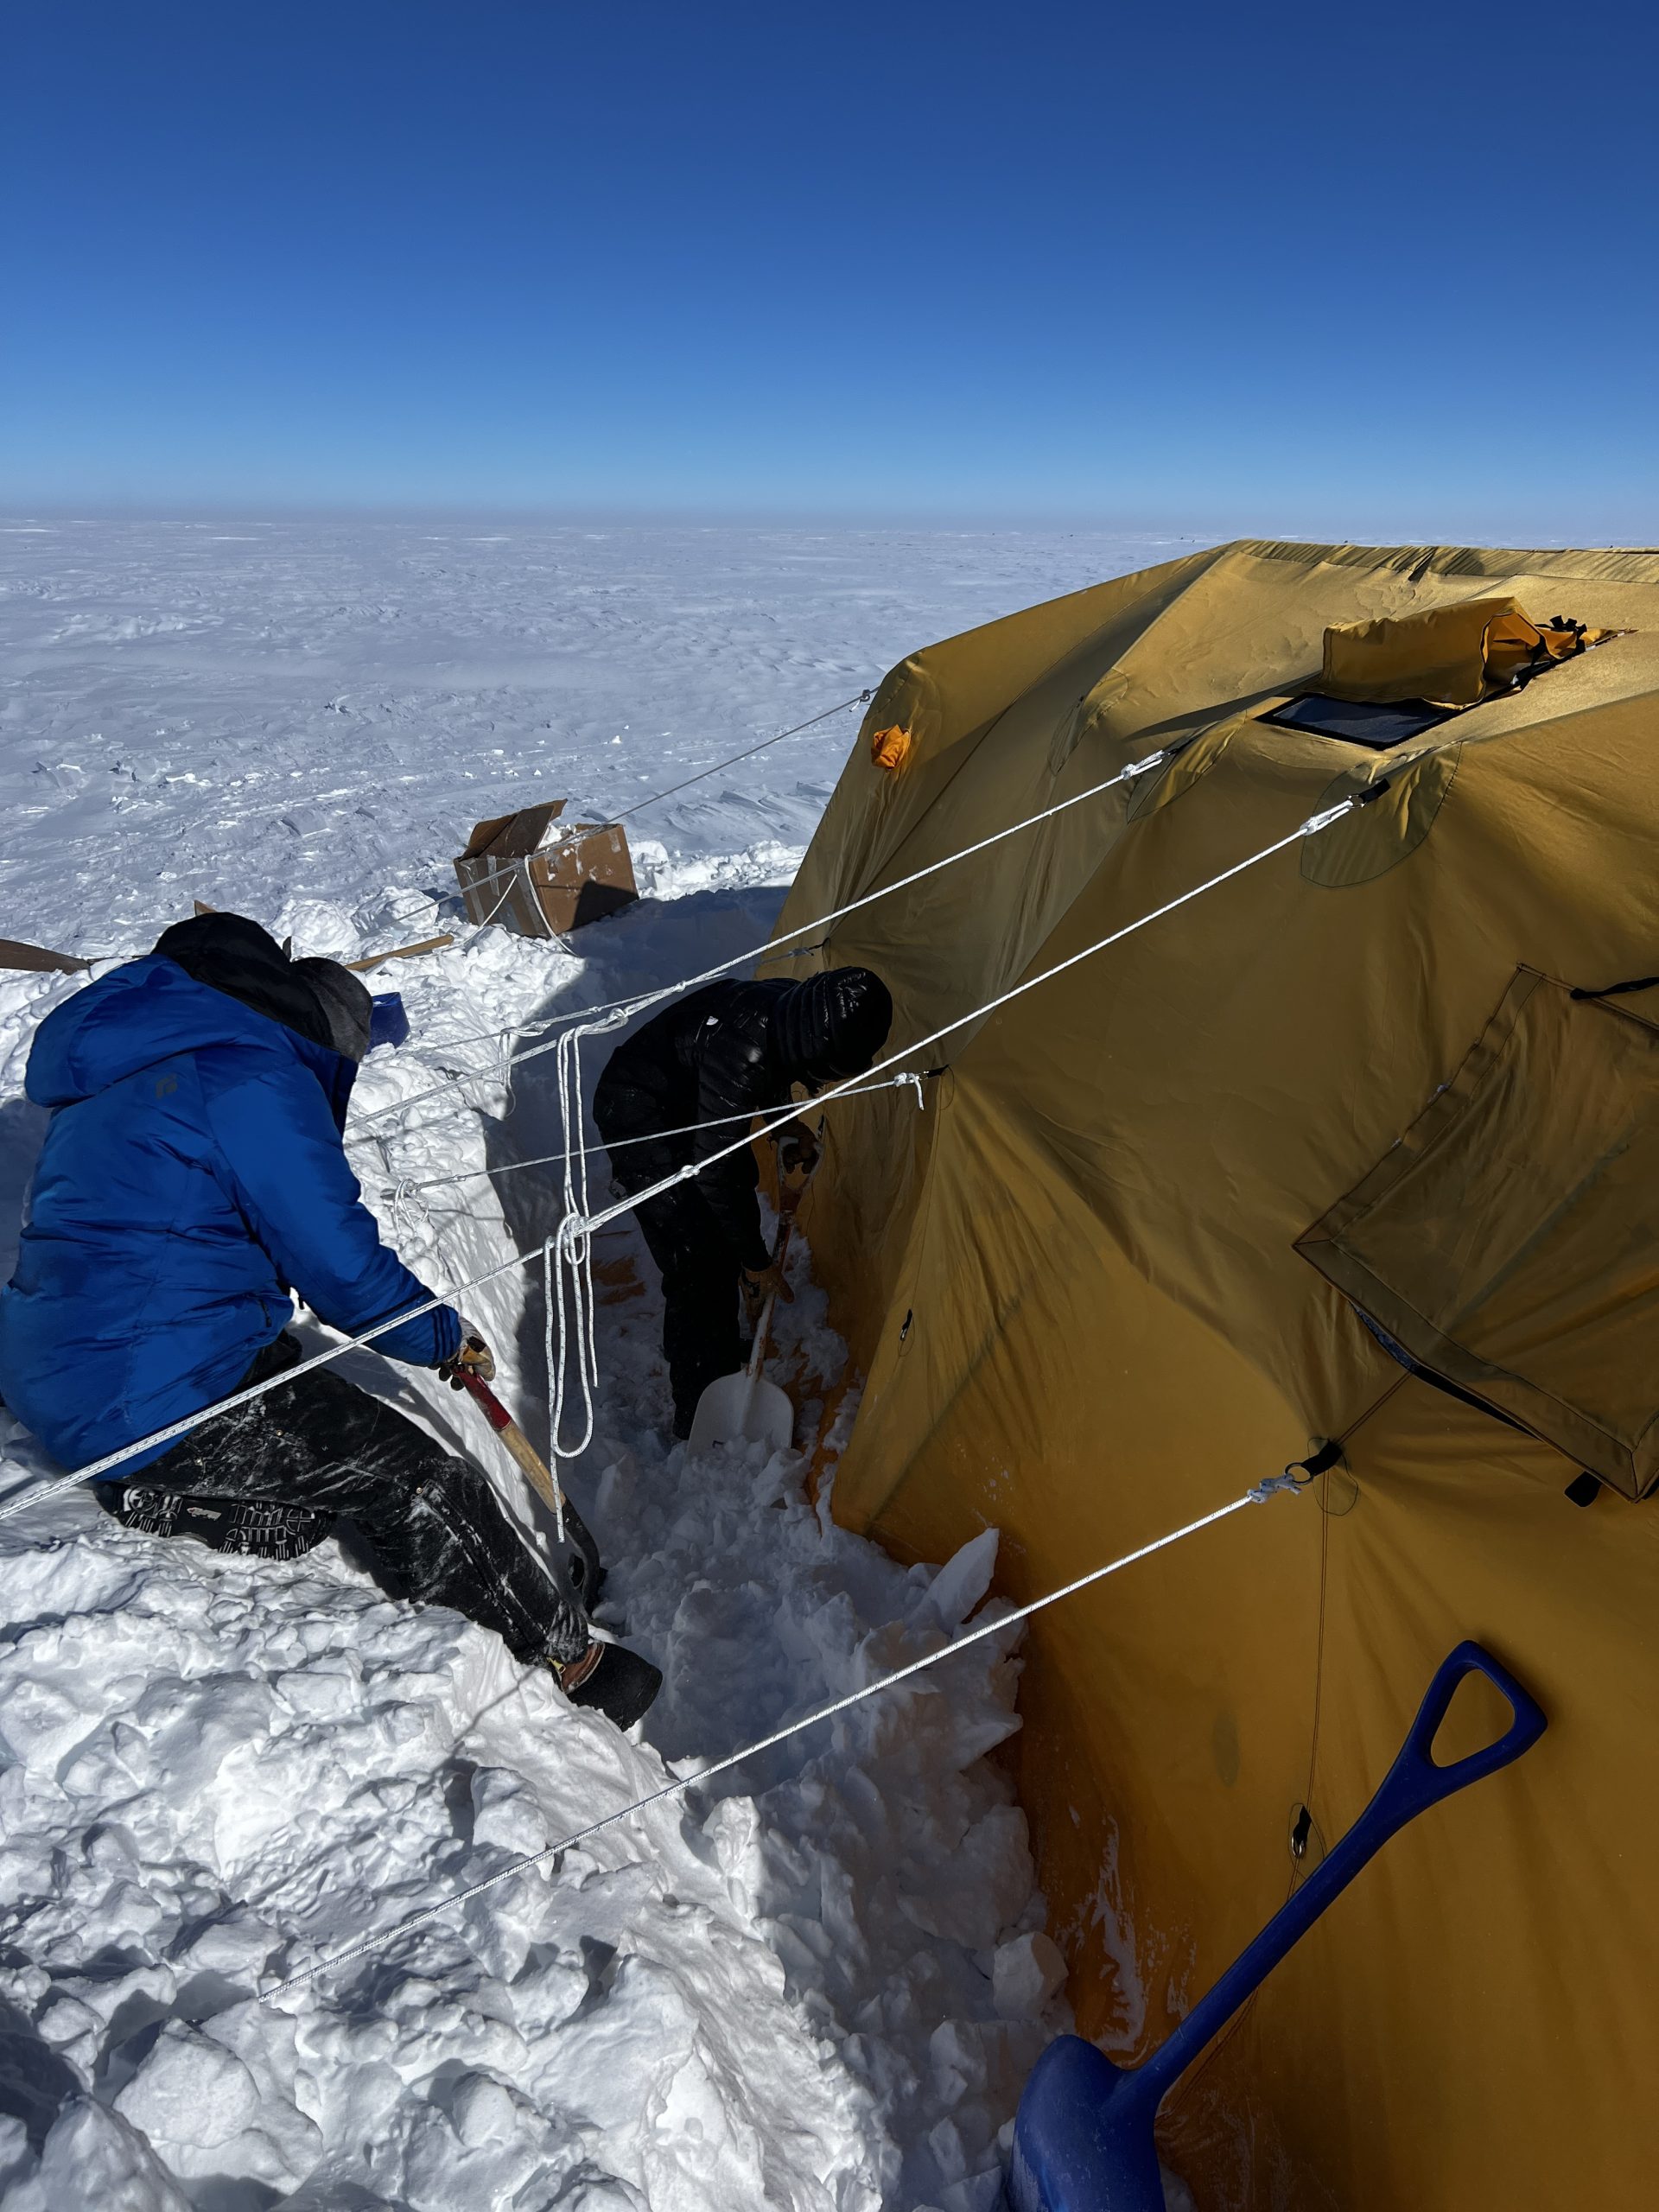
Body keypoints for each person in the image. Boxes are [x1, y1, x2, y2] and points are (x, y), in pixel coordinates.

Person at [0, 912, 658, 1729]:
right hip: (142, 1394)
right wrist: (441, 1335)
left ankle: (191, 1494)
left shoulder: (133, 1060)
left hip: (58, 1363)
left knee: (299, 1415)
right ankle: (570, 1660)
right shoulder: (251, 1078)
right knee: (419, 1483)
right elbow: (339, 1267)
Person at [593, 966, 893, 1437]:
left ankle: (715, 1348)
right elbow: (717, 1169)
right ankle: (696, 1404)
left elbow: (771, 1067)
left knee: (726, 1219)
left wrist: (784, 1124)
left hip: (688, 1097)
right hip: (638, 1107)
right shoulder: (741, 1051)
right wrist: (755, 1261)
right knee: (693, 1256)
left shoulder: (794, 1007)